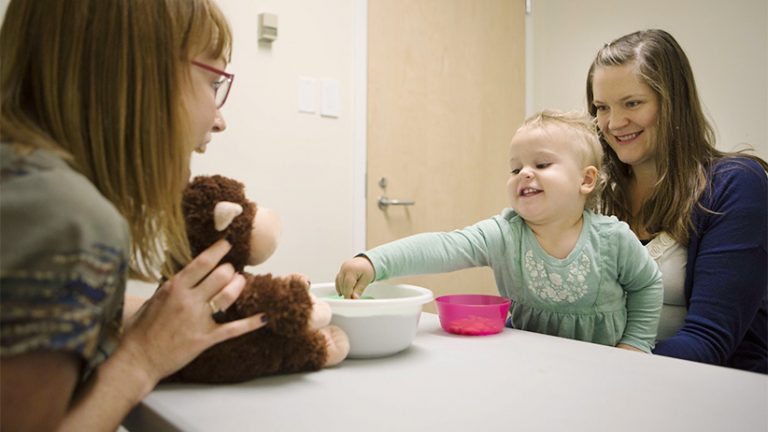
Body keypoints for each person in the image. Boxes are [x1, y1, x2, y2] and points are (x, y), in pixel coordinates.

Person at [0, 0, 275, 430]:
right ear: (137, 77)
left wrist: (153, 315)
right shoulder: (66, 218)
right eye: (211, 81)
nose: (219, 121)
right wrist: (142, 359)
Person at [336, 110, 664, 353]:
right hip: (526, 362)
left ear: (586, 180)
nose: (524, 174)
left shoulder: (612, 238)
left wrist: (635, 345)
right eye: (515, 167)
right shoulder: (505, 233)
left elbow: (647, 284)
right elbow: (445, 246)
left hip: (602, 369)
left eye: (542, 164)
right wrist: (374, 261)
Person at [586, 29, 768, 373]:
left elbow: (708, 340)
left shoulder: (735, 185)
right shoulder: (595, 192)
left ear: (673, 102)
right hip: (612, 383)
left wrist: (597, 367)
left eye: (632, 103)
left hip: (712, 393)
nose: (614, 122)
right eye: (601, 107)